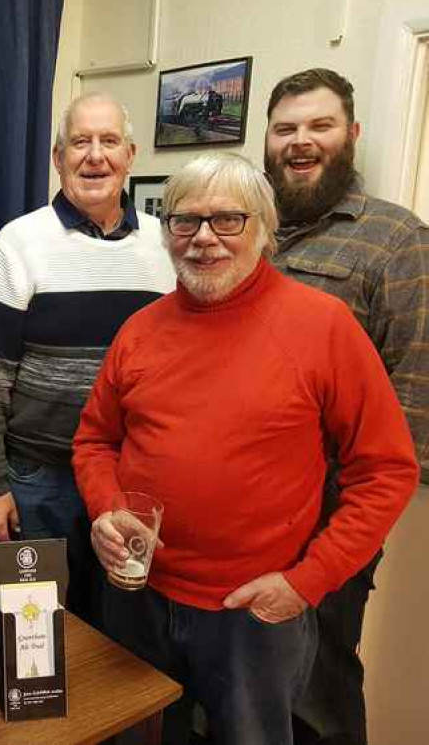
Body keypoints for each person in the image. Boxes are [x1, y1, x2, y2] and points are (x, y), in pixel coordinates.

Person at [73, 152, 418, 744]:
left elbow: (387, 471)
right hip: (138, 598)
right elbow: (95, 440)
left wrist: (307, 581)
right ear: (167, 232)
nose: (204, 238)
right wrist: (106, 508)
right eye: (185, 221)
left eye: (227, 220)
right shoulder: (140, 329)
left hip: (254, 616)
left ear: (263, 229)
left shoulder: (324, 327)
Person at [0, 92, 175, 625]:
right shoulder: (19, 242)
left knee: (123, 640)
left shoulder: (166, 245)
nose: (94, 155)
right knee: (34, 638)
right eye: (80, 142)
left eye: (108, 142)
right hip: (38, 481)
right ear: (58, 158)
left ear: (131, 154)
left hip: (132, 479)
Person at [264, 67, 429, 745]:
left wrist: (356, 523)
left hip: (330, 515)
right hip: (239, 507)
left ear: (351, 134)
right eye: (285, 129)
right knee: (243, 683)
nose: (300, 141)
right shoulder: (242, 228)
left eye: (318, 125)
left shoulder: (396, 238)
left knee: (319, 693)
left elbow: (414, 391)